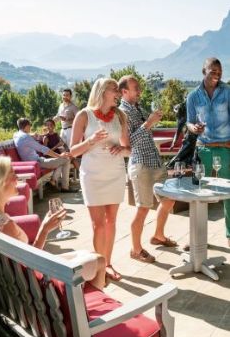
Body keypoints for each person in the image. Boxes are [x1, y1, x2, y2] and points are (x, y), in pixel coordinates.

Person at [0, 156, 106, 289]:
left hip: (14, 281)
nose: (17, 178)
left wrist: (45, 228)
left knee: (87, 254)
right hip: (35, 287)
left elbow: (26, 259)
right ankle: (94, 305)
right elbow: (31, 264)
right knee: (100, 261)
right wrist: (44, 230)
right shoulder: (5, 226)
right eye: (11, 175)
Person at [70, 78, 131, 281]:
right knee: (98, 225)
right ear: (103, 91)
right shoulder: (84, 115)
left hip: (115, 173)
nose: (119, 93)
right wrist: (91, 141)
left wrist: (121, 149)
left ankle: (109, 264)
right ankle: (99, 268)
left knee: (111, 221)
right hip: (92, 175)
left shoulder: (120, 116)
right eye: (115, 90)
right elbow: (73, 151)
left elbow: (128, 149)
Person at [118, 75, 177, 264]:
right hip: (141, 164)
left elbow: (143, 134)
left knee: (169, 200)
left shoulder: (137, 107)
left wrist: (150, 121)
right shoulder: (121, 113)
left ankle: (158, 235)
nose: (140, 91)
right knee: (143, 209)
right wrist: (149, 123)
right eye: (136, 88)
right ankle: (136, 250)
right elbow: (128, 144)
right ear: (124, 91)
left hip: (155, 162)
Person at [186, 57, 230, 247]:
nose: (217, 75)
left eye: (219, 72)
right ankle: (196, 236)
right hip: (203, 149)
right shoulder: (193, 96)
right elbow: (188, 121)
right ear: (203, 71)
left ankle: (229, 236)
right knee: (198, 195)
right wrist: (193, 128)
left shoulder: (227, 92)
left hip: (226, 148)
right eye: (213, 71)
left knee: (229, 195)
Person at [13, 117, 73, 191]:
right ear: (27, 126)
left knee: (62, 162)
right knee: (66, 159)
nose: (30, 128)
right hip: (37, 162)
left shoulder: (16, 135)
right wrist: (59, 155)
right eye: (30, 126)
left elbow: (27, 137)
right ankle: (64, 187)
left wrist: (33, 135)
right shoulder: (26, 137)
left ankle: (53, 180)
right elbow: (43, 149)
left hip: (33, 161)